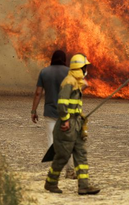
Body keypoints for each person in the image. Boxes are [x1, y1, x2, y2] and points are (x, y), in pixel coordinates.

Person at [44, 53, 100, 195]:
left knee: (81, 154)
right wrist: (65, 120)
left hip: (77, 124)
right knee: (62, 156)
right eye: (85, 67)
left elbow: (85, 85)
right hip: (67, 126)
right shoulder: (69, 82)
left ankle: (84, 186)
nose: (86, 70)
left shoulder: (76, 81)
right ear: (79, 68)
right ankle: (51, 183)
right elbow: (62, 104)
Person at [31, 50, 76, 178]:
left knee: (52, 143)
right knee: (67, 141)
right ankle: (70, 171)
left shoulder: (44, 72)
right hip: (66, 113)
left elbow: (38, 93)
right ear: (64, 59)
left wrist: (33, 111)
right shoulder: (70, 72)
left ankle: (55, 172)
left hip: (50, 112)